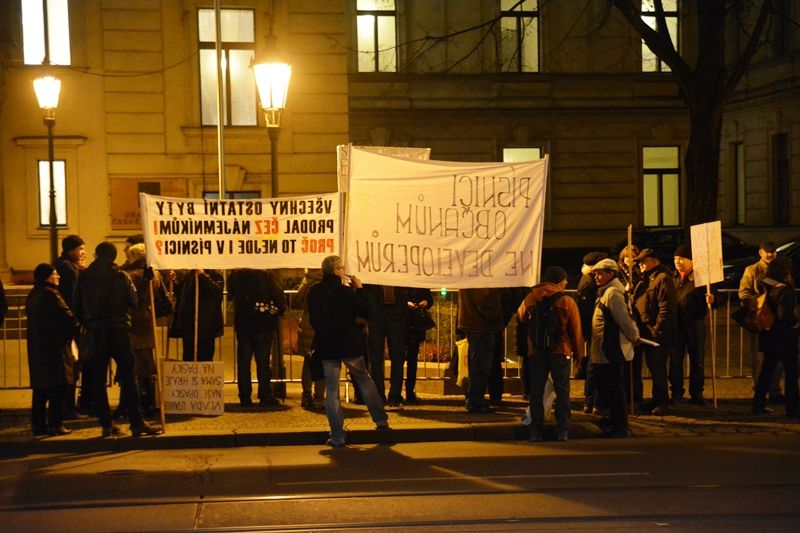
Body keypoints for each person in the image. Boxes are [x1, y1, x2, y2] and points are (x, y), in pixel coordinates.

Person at [73, 241, 160, 437]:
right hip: (120, 331)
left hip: (95, 331)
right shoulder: (121, 276)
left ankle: (106, 424)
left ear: (96, 254)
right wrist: (146, 282)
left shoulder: (84, 277)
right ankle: (136, 423)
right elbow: (136, 302)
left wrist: (87, 323)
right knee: (129, 378)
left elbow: (76, 304)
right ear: (113, 257)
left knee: (97, 379)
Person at [307, 255, 389, 447]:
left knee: (332, 389)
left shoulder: (314, 292)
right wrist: (360, 290)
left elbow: (313, 318)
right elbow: (365, 310)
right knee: (364, 380)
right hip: (349, 344)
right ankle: (380, 420)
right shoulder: (345, 292)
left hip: (326, 345)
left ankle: (337, 435)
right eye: (342, 268)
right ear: (336, 271)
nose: (344, 271)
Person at [517, 266, 584, 442]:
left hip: (536, 351)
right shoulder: (566, 301)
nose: (567, 282)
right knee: (562, 392)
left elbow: (521, 317)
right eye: (565, 280)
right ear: (560, 281)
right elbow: (575, 329)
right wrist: (578, 354)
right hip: (560, 351)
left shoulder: (532, 297)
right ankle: (562, 430)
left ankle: (535, 431)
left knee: (536, 391)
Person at [25, 263, 82, 436]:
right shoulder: (52, 295)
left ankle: (38, 424)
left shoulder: (33, 294)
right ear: (47, 277)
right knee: (59, 386)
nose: (58, 277)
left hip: (38, 347)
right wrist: (80, 329)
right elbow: (67, 318)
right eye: (55, 274)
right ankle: (55, 424)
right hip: (55, 347)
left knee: (41, 389)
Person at [589, 258, 642, 438]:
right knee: (607, 388)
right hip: (605, 349)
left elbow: (624, 319)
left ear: (611, 274)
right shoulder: (607, 292)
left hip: (611, 349)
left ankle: (620, 425)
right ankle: (614, 420)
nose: (596, 276)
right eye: (595, 273)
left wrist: (634, 336)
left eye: (600, 273)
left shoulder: (612, 293)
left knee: (614, 389)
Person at [228, 268, 286, 407]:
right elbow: (278, 297)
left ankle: (245, 397)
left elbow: (231, 292)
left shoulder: (238, 274)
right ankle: (265, 396)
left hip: (243, 323)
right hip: (263, 324)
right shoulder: (267, 275)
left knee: (244, 363)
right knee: (263, 362)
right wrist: (279, 309)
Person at [632, 248, 678, 416]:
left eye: (643, 261)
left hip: (656, 333)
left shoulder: (663, 278)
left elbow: (666, 308)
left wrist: (659, 329)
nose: (640, 265)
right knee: (651, 367)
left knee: (658, 369)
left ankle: (661, 402)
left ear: (654, 260)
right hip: (645, 330)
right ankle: (654, 399)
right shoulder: (646, 278)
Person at [119, 243, 162, 416]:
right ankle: (149, 402)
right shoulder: (153, 273)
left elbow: (129, 299)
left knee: (133, 365)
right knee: (145, 364)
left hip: (134, 323)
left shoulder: (131, 275)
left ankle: (134, 405)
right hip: (146, 320)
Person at [753, 256, 798, 418]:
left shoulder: (764, 284)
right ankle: (792, 409)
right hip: (784, 336)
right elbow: (785, 315)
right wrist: (796, 322)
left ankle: (758, 404)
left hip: (768, 333)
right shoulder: (784, 289)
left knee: (766, 370)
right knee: (791, 373)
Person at [739, 240, 783, 403]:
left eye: (773, 252)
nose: (770, 254)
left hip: (776, 320)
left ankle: (774, 391)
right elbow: (743, 293)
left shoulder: (781, 269)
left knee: (776, 358)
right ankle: (761, 390)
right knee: (759, 357)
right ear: (761, 252)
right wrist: (757, 303)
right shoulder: (752, 270)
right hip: (759, 319)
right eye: (767, 251)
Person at [672, 244, 715, 406]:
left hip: (695, 324)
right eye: (676, 259)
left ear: (691, 261)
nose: (678, 262)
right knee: (676, 360)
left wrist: (713, 299)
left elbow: (718, 297)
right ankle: (676, 392)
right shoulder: (672, 277)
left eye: (682, 259)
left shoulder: (702, 278)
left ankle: (697, 393)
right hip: (676, 325)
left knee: (697, 360)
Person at [53, 234, 88, 419]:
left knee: (68, 368)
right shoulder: (68, 268)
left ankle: (65, 407)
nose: (83, 253)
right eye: (81, 249)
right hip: (70, 326)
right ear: (71, 250)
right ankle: (68, 409)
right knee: (72, 368)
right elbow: (76, 297)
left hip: (64, 326)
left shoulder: (63, 265)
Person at [363, 284, 410, 409]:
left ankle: (394, 397)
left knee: (397, 359)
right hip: (376, 316)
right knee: (376, 359)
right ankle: (379, 397)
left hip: (395, 316)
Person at [457, 288, 504, 414]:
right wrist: (497, 314)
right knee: (480, 365)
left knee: (477, 363)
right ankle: (475, 401)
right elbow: (483, 302)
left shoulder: (470, 276)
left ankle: (474, 399)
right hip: (481, 324)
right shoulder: (481, 280)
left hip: (473, 322)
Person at [576, 251, 608, 414]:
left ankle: (591, 402)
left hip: (592, 330)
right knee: (596, 367)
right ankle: (594, 402)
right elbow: (588, 310)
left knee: (594, 366)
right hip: (595, 330)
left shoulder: (587, 280)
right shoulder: (591, 283)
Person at [170, 268, 225, 362]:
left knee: (204, 358)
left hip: (205, 327)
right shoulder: (190, 274)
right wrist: (174, 282)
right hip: (189, 326)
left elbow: (215, 291)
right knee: (188, 357)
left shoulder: (214, 274)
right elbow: (183, 293)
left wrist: (202, 275)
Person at [296, 268, 325, 410]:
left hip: (309, 325)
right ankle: (317, 396)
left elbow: (298, 300)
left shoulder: (307, 281)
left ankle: (308, 395)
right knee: (321, 362)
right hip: (319, 327)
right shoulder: (316, 282)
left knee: (309, 363)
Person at [405, 288, 434, 404]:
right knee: (399, 359)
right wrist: (405, 304)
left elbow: (429, 299)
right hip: (403, 323)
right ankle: (397, 392)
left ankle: (409, 391)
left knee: (412, 360)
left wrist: (425, 303)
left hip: (416, 324)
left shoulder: (421, 285)